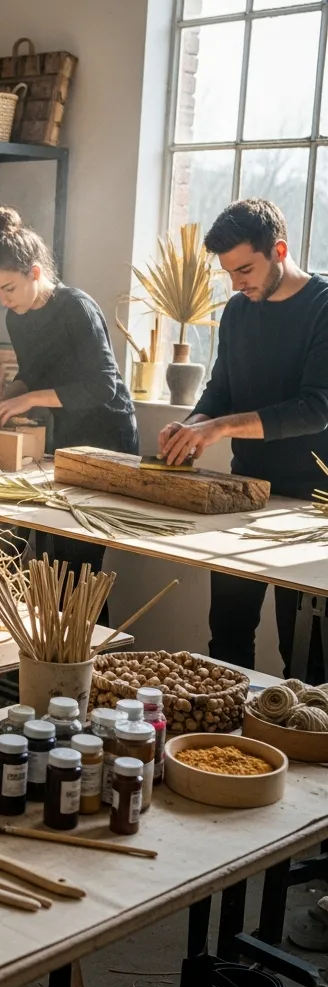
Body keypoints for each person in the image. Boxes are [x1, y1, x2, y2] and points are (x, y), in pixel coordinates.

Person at [158, 198, 328, 680]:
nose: (237, 283)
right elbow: (222, 389)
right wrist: (193, 422)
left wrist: (220, 427)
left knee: (306, 653)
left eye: (246, 269)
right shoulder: (237, 311)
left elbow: (317, 408)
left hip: (310, 504)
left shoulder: (323, 307)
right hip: (243, 494)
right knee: (227, 639)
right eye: (230, 273)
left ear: (279, 249)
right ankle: (223, 749)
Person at [0, 207, 139, 614]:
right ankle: (58, 659)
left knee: (81, 572)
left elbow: (103, 386)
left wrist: (28, 400)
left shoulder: (77, 308)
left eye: (9, 288)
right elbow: (32, 373)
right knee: (57, 564)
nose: (3, 300)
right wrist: (4, 399)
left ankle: (89, 663)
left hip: (108, 439)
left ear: (34, 272)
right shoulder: (18, 318)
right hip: (68, 435)